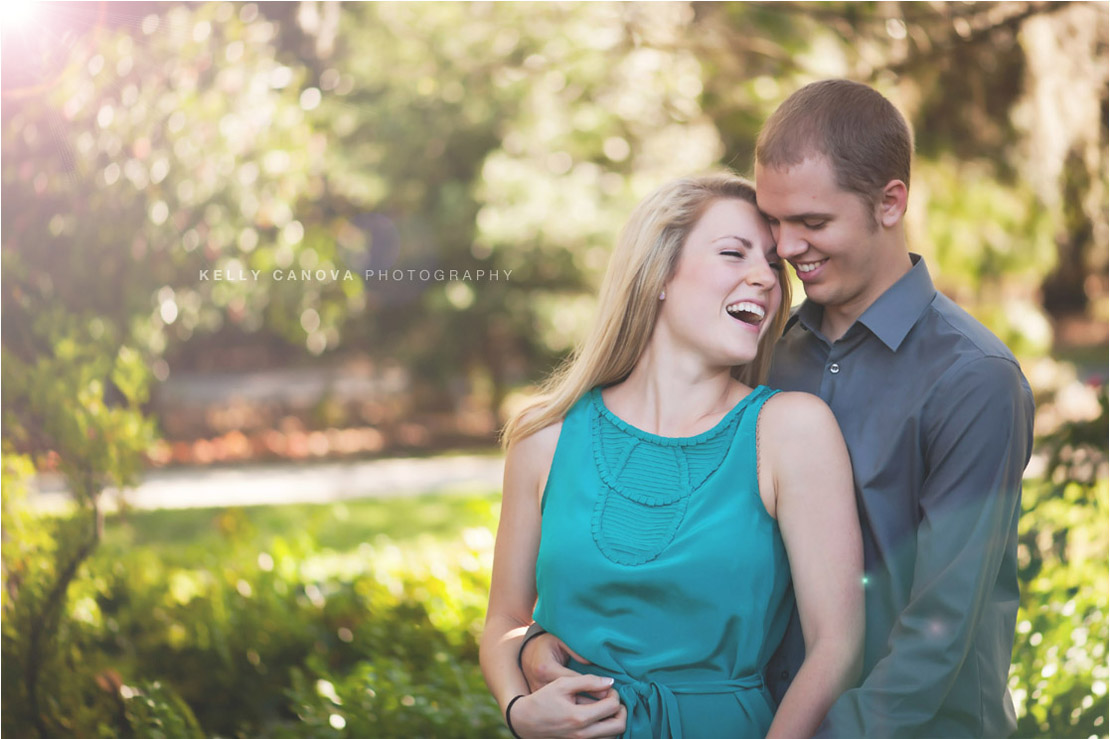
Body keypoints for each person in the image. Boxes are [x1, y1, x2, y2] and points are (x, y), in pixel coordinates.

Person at [522, 80, 1036, 738]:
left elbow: (940, 629)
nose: (788, 249)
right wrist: (542, 643)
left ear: (890, 203)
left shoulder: (973, 380)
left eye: (812, 223)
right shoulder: (762, 354)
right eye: (774, 223)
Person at [480, 173, 863, 739]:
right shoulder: (545, 435)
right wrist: (519, 709)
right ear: (658, 273)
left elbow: (837, 645)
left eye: (773, 267)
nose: (764, 278)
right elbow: (505, 620)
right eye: (733, 253)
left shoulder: (791, 430)